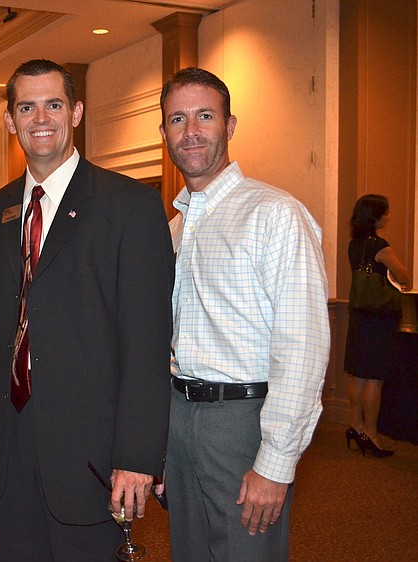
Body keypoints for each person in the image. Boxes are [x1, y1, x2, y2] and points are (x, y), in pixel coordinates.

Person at [0, 59, 174, 561]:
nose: (40, 118)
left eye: (53, 104)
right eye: (26, 106)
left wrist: (137, 456)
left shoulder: (129, 205)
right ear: (10, 121)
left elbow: (147, 342)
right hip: (12, 450)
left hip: (91, 454)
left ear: (77, 112)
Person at [157, 67, 330, 561]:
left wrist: (276, 461)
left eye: (205, 116)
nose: (190, 130)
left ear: (230, 126)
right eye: (177, 119)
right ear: (164, 132)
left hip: (243, 423)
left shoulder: (275, 214)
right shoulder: (175, 227)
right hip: (181, 417)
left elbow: (302, 346)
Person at [344, 194, 410, 458]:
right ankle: (371, 433)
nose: (389, 217)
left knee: (358, 375)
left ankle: (355, 425)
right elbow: (405, 276)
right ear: (376, 216)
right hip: (379, 317)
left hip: (360, 316)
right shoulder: (380, 245)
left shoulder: (354, 244)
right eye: (386, 212)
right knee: (375, 379)